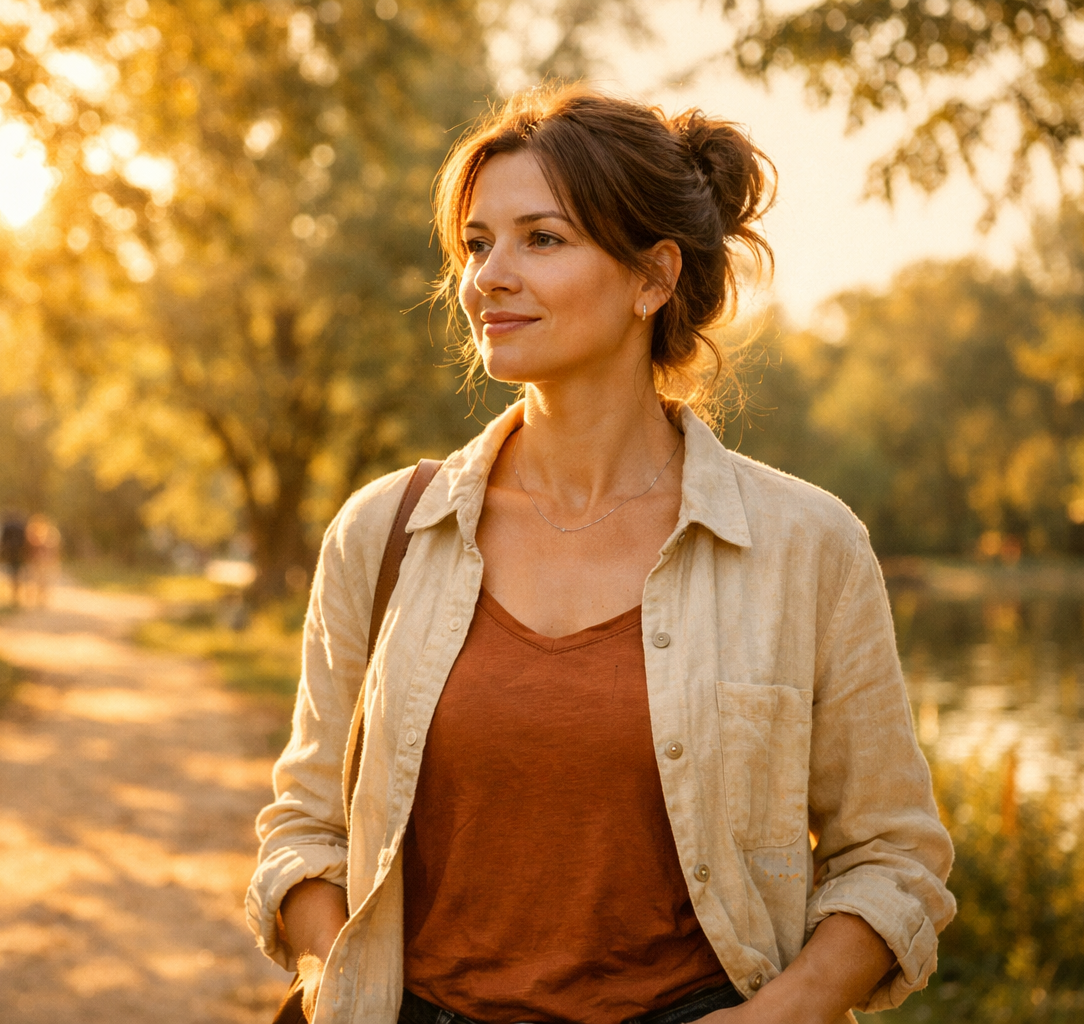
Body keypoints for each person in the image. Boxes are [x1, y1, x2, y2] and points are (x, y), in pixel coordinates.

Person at [246, 86, 955, 1024]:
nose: (490, 275)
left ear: (652, 278)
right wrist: (341, 977)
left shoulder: (806, 546)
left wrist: (779, 1015)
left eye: (541, 238)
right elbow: (303, 829)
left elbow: (892, 857)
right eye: (478, 243)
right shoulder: (384, 532)